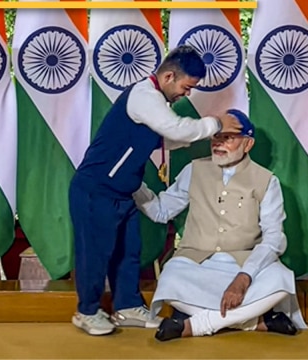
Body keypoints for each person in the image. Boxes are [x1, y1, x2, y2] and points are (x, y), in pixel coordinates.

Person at [69, 45, 242, 336]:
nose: (186, 95)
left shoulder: (156, 104)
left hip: (125, 191)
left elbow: (166, 139)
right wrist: (216, 124)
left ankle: (126, 307)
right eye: (187, 87)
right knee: (95, 254)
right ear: (169, 76)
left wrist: (194, 136)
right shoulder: (144, 95)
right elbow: (174, 129)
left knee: (128, 252)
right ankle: (86, 311)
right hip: (95, 190)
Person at [133, 109, 308, 341]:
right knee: (171, 278)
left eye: (229, 138)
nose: (219, 143)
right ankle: (253, 322)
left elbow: (275, 237)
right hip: (195, 263)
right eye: (216, 136)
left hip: (245, 263)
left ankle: (195, 325)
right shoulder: (193, 170)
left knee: (279, 279)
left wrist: (244, 277)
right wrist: (132, 184)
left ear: (248, 144)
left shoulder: (266, 180)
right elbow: (161, 210)